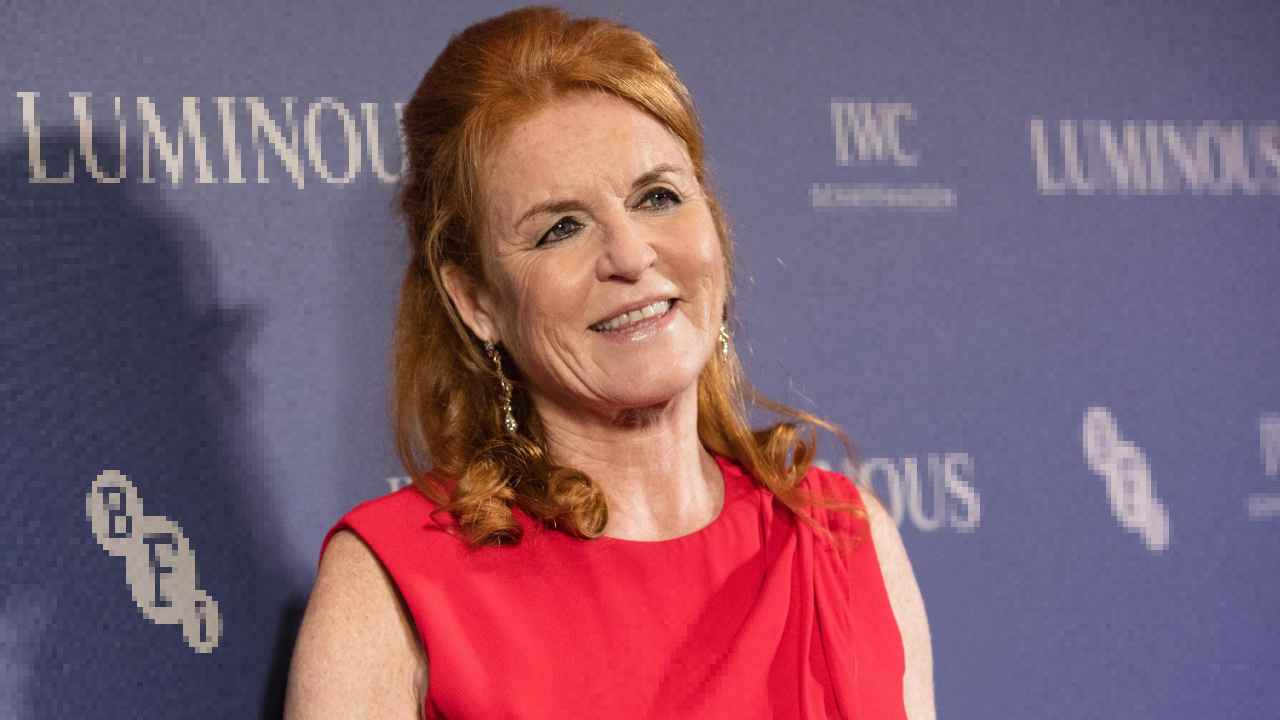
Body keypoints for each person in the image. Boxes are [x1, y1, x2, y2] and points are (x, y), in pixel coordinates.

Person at [284, 6, 934, 719]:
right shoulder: (391, 585)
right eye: (561, 228)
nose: (630, 254)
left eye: (658, 197)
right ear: (476, 300)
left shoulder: (844, 541)